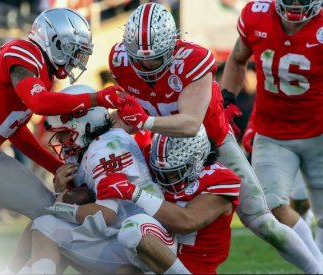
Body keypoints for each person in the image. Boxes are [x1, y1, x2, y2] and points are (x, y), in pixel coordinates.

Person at [108, 2, 323, 273]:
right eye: (138, 57)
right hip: (164, 153)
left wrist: (143, 121)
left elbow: (190, 124)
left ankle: (318, 269)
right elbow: (131, 117)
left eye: (154, 56)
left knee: (261, 220)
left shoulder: (193, 59)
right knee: (151, 219)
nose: (146, 64)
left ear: (172, 46)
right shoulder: (119, 60)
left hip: (213, 143)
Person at [0, 8, 123, 273]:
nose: (77, 58)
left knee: (48, 212)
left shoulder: (44, 72)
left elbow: (16, 131)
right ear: (55, 41)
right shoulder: (23, 50)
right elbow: (39, 102)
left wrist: (55, 167)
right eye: (73, 49)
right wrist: (97, 98)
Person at [29, 85, 184, 274]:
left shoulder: (106, 148)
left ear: (83, 123)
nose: (60, 140)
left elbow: (106, 213)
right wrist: (62, 189)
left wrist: (61, 205)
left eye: (64, 132)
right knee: (43, 225)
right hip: (119, 237)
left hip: (146, 241)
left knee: (49, 224)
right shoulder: (90, 147)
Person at [221, 0, 323, 260]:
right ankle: (317, 264)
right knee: (272, 206)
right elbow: (237, 59)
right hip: (272, 132)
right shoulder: (257, 16)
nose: (297, 4)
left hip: (319, 132)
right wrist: (226, 100)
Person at [97, 125, 241, 274]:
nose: (166, 179)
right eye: (161, 173)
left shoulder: (218, 179)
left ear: (196, 161)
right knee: (123, 272)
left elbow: (188, 222)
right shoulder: (155, 162)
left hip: (195, 268)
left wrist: (134, 192)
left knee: (135, 228)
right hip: (157, 260)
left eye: (174, 173)